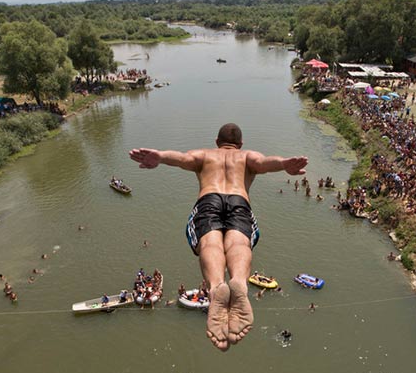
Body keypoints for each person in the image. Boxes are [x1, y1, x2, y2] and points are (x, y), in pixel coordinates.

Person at [130, 123, 307, 351]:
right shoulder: (246, 156)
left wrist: (161, 156)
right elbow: (264, 163)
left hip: (209, 199)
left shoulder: (205, 155)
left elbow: (182, 158)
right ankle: (239, 283)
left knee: (209, 243)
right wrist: (283, 163)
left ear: (217, 142)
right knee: (239, 242)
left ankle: (216, 288)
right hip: (239, 200)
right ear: (240, 144)